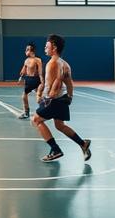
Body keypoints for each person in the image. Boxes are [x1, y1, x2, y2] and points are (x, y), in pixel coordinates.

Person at [34, 34, 92, 163]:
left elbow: (56, 85)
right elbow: (69, 83)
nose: (45, 47)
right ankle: (83, 144)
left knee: (36, 120)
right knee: (60, 125)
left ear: (54, 47)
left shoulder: (53, 63)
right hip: (63, 98)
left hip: (53, 100)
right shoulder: (65, 64)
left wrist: (43, 98)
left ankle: (55, 150)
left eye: (47, 45)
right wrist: (70, 97)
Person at [18, 43, 43, 119]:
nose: (25, 51)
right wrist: (21, 77)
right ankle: (27, 112)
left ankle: (42, 110)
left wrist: (42, 81)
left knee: (38, 96)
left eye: (27, 50)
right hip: (28, 80)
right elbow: (23, 70)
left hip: (35, 80)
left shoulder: (37, 60)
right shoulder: (26, 60)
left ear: (31, 51)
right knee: (26, 96)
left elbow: (40, 72)